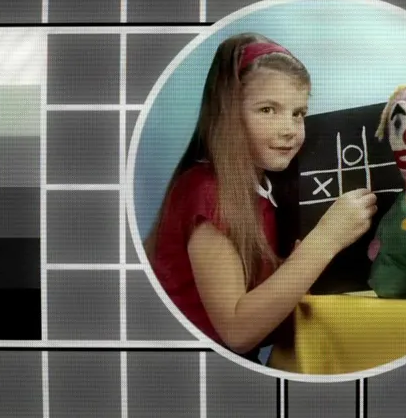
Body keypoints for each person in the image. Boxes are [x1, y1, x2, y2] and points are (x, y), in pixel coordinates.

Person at [144, 33, 378, 362]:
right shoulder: (206, 191)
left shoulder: (264, 189)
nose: (289, 129)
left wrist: (295, 266)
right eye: (268, 110)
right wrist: (325, 240)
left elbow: (267, 314)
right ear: (228, 114)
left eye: (298, 113)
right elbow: (238, 332)